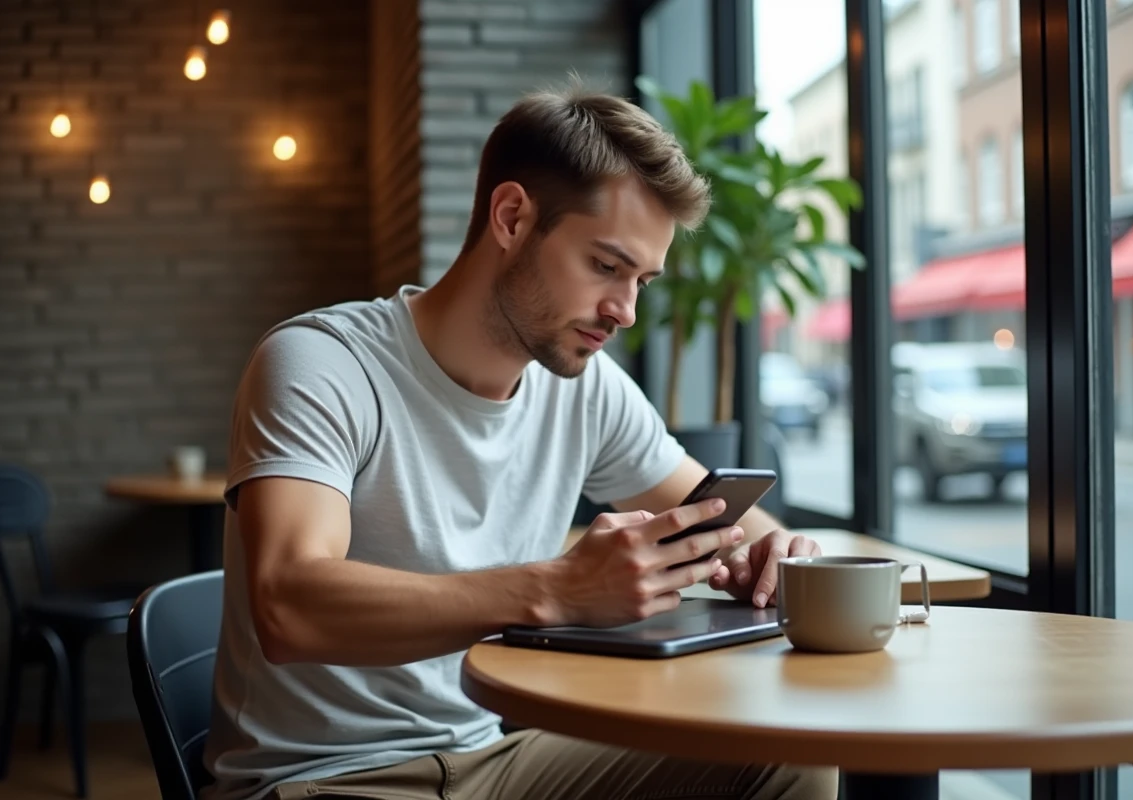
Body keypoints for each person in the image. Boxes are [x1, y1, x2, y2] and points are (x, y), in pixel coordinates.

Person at [201, 81, 837, 800]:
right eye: (605, 266)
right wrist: (560, 588)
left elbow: (732, 522)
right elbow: (289, 605)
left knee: (790, 758)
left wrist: (776, 554)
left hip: (498, 757)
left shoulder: (584, 387)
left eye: (642, 281)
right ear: (511, 217)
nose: (624, 310)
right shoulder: (323, 363)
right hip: (323, 780)